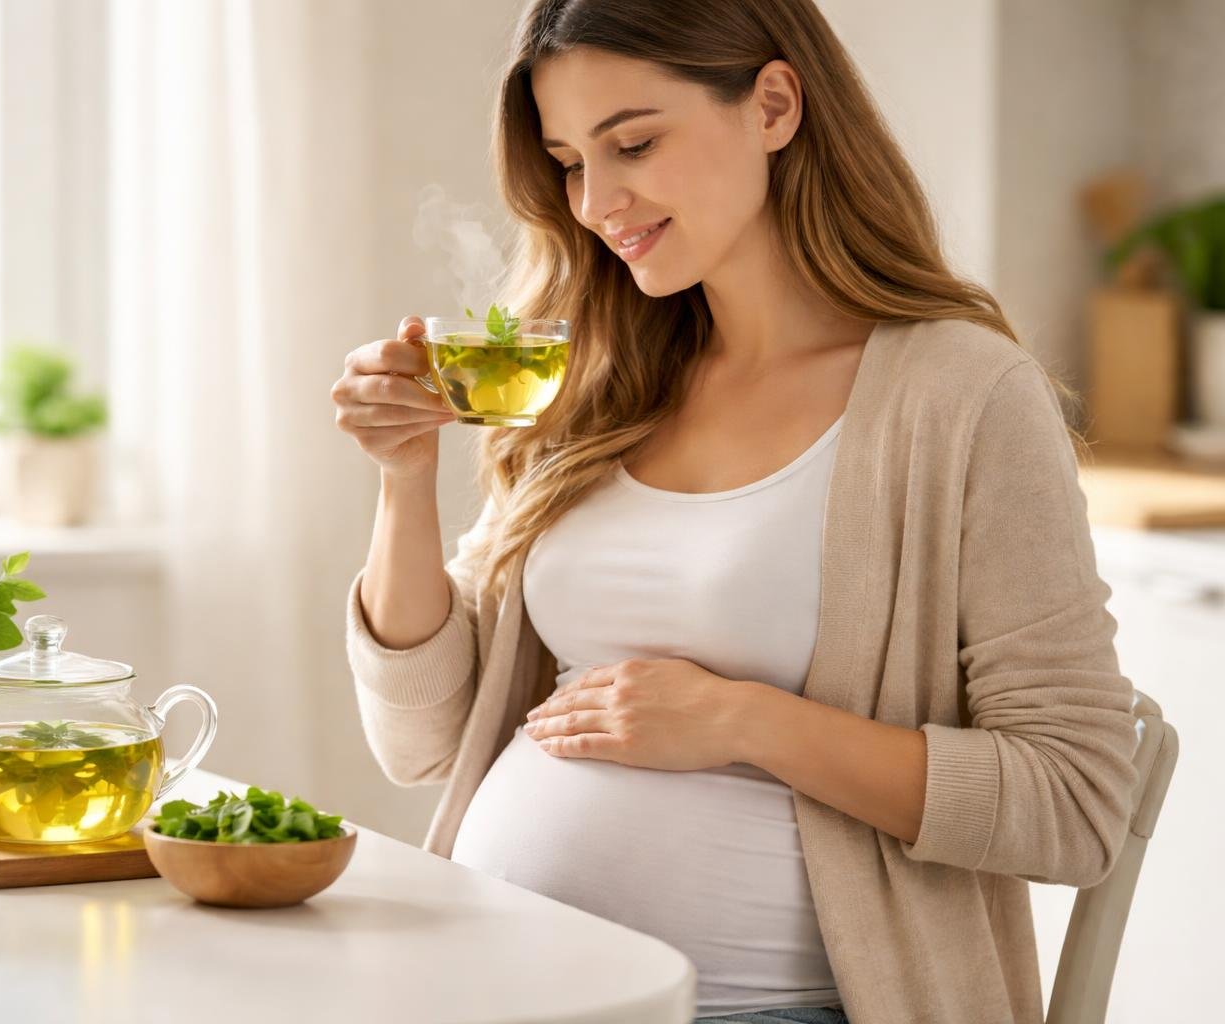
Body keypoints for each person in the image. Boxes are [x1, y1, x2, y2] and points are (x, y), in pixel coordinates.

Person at [329, 1, 1140, 1021]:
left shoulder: (960, 398)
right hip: (495, 988)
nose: (597, 203)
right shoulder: (600, 381)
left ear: (773, 106)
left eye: (635, 144)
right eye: (571, 162)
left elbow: (1075, 802)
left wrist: (743, 721)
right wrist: (403, 477)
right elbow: (423, 741)